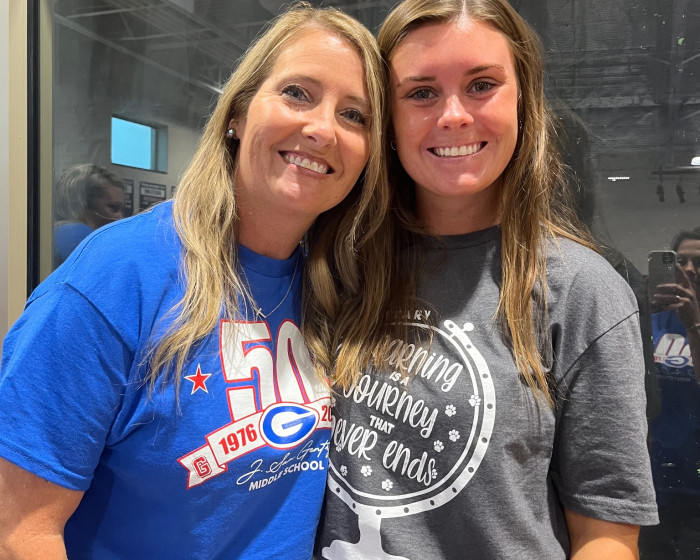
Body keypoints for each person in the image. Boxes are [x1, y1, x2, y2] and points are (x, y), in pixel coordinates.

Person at [0, 4, 389, 559]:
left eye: (354, 115)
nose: (323, 128)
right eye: (297, 93)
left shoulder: (332, 289)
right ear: (238, 114)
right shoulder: (118, 276)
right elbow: (19, 531)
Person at [316, 1, 658, 559]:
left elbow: (607, 535)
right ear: (388, 118)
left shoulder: (582, 291)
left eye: (481, 85)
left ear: (523, 102)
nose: (453, 115)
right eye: (421, 92)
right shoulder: (337, 262)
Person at [641, 227, 700, 559]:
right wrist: (640, 314)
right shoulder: (654, 317)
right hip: (652, 478)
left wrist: (693, 324)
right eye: (681, 262)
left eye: (698, 263)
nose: (689, 270)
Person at [52, 163, 126, 267]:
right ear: (83, 203)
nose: (120, 218)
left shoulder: (55, 233)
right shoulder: (79, 236)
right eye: (113, 207)